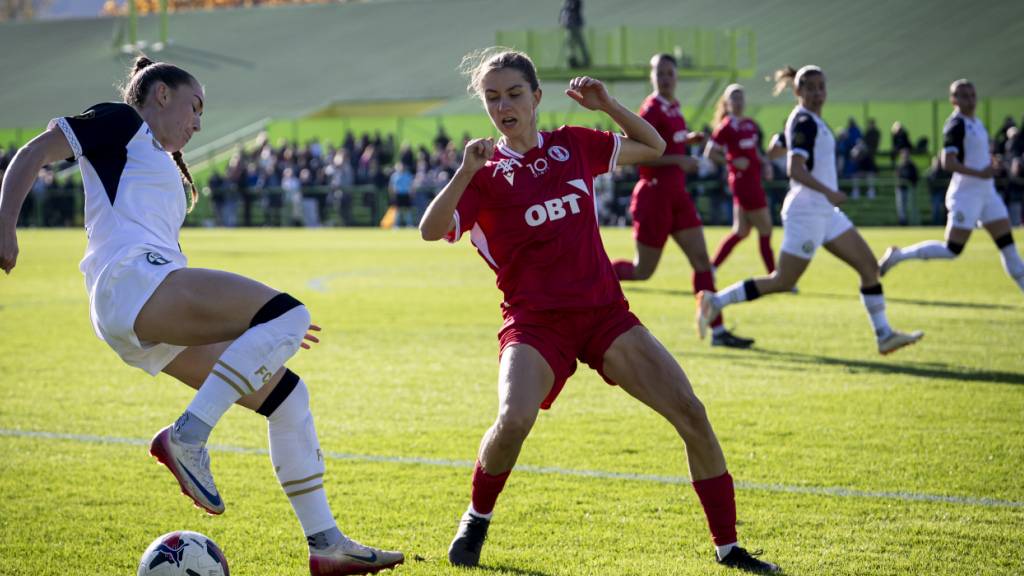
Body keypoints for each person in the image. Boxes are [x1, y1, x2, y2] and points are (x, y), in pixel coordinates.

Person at [0, 56, 403, 576]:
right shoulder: (123, 122)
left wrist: (258, 333)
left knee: (288, 397)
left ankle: (326, 545)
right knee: (291, 315)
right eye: (195, 106)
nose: (198, 123)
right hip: (132, 284)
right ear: (161, 94)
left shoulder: (160, 159)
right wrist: (5, 224)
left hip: (144, 307)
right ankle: (186, 437)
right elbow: (33, 152)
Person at [419, 48, 779, 574]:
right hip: (536, 325)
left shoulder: (572, 145)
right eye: (492, 97)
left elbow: (653, 145)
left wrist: (607, 103)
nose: (504, 106)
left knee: (691, 413)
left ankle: (729, 548)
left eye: (515, 93)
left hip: (605, 315)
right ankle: (476, 518)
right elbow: (430, 229)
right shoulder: (483, 173)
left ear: (537, 97)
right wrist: (464, 172)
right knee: (513, 418)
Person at [697, 65, 923, 355]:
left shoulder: (807, 121)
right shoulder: (804, 121)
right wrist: (829, 191)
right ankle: (715, 302)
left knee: (868, 267)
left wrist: (779, 147)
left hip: (824, 212)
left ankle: (884, 335)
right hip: (807, 212)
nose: (817, 93)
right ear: (798, 92)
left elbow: (778, 147)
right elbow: (795, 168)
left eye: (821, 87)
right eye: (810, 88)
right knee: (782, 280)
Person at [610, 54, 753, 348]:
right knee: (642, 271)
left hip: (677, 196)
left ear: (676, 76)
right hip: (654, 195)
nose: (665, 78)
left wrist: (685, 139)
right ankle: (589, 274)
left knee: (702, 261)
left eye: (669, 73)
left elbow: (665, 141)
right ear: (652, 77)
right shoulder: (650, 108)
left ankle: (718, 331)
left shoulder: (673, 107)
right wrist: (681, 159)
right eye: (659, 73)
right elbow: (640, 151)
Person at [879, 80, 1024, 295]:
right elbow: (948, 162)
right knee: (952, 249)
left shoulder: (977, 122)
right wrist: (980, 172)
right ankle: (898, 256)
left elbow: (975, 157)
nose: (970, 100)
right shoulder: (956, 125)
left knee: (1009, 248)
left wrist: (991, 163)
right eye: (963, 96)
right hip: (966, 194)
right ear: (953, 100)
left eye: (972, 95)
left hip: (987, 193)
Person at [705, 84, 776, 275]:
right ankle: (775, 275)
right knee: (766, 229)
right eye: (734, 98)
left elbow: (754, 153)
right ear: (727, 103)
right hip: (743, 183)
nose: (738, 101)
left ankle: (711, 267)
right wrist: (732, 161)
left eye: (741, 97)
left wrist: (765, 164)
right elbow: (709, 152)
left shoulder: (750, 124)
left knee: (741, 231)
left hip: (753, 180)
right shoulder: (726, 126)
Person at [559, 0, 590, 68]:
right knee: (570, 45)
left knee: (579, 43)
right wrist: (562, 22)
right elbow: (563, 13)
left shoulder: (574, 2)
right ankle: (572, 61)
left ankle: (585, 61)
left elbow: (574, 10)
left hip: (575, 25)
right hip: (569, 25)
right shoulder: (566, 2)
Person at [895, 148, 918, 226]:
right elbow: (897, 176)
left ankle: (912, 222)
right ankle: (902, 222)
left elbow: (915, 177)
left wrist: (911, 183)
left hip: (909, 189)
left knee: (910, 207)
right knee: (901, 207)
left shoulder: (912, 166)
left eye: (906, 154)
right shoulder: (900, 165)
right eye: (903, 154)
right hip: (901, 189)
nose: (905, 156)